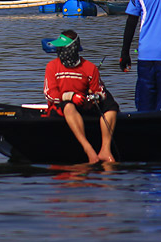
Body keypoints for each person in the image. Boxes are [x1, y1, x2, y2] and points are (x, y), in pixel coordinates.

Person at [44, 30, 119, 163]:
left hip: (84, 105)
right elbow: (50, 94)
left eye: (62, 48)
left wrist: (94, 97)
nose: (59, 51)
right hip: (63, 107)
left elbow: (99, 90)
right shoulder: (52, 66)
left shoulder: (90, 68)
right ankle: (88, 149)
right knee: (68, 106)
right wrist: (70, 96)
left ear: (72, 49)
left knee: (110, 104)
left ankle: (105, 150)